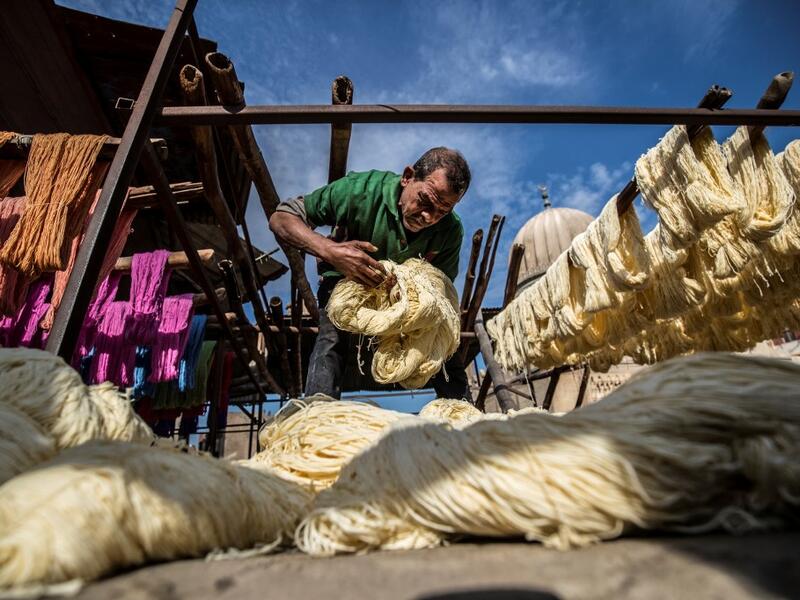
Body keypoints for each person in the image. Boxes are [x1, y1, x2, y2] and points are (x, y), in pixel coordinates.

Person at [269, 146, 471, 400]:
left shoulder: (451, 232)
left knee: (441, 334)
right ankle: (318, 414)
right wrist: (330, 251)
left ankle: (462, 413)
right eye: (425, 201)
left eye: (442, 211)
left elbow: (440, 290)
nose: (428, 217)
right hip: (345, 282)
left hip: (407, 298)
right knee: (332, 338)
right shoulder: (359, 190)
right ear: (408, 177)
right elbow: (281, 218)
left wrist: (407, 293)